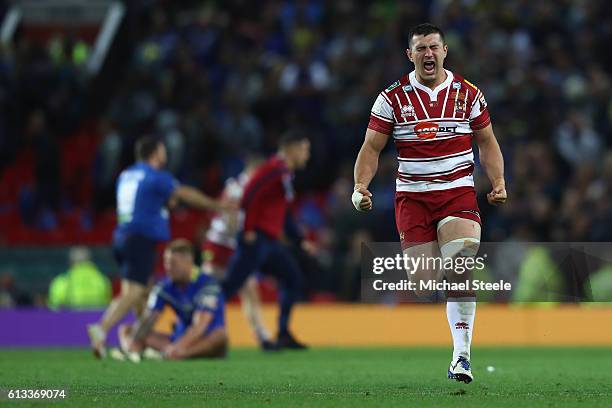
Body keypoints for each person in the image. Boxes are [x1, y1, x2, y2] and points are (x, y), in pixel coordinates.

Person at [352, 23, 507, 383]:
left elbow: (487, 142)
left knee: (461, 261)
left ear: (444, 51)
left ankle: (462, 356)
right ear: (410, 55)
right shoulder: (392, 98)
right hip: (414, 199)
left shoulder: (468, 94)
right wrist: (360, 186)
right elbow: (371, 148)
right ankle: (450, 323)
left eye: (433, 47)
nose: (428, 54)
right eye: (420, 49)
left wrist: (498, 181)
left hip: (457, 192)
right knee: (422, 284)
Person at [87, 136, 232, 358]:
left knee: (142, 294)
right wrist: (217, 205)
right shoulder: (156, 176)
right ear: (155, 153)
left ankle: (139, 343)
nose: (166, 155)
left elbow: (146, 201)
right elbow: (185, 194)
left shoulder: (127, 175)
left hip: (122, 236)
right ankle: (101, 329)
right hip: (141, 238)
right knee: (134, 291)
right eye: (163, 150)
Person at [222, 130, 312, 350]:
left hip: (269, 242)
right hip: (256, 239)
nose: (307, 155)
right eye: (304, 150)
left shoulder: (284, 174)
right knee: (229, 287)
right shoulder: (273, 169)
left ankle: (283, 333)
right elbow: (249, 193)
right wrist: (248, 228)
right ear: (291, 149)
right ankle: (193, 323)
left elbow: (285, 214)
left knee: (292, 278)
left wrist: (299, 240)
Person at [202, 156, 276, 350]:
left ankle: (262, 335)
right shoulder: (238, 188)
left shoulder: (246, 187)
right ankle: (196, 328)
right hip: (219, 245)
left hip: (233, 245)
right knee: (208, 288)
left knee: (249, 289)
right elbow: (232, 219)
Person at [117, 239, 227, 360]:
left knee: (220, 335)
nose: (168, 268)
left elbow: (200, 325)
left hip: (205, 339)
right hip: (178, 339)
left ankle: (180, 354)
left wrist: (178, 347)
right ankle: (167, 353)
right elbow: (149, 318)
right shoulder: (164, 287)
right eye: (166, 262)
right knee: (127, 330)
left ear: (188, 263)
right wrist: (134, 340)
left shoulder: (207, 285)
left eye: (173, 263)